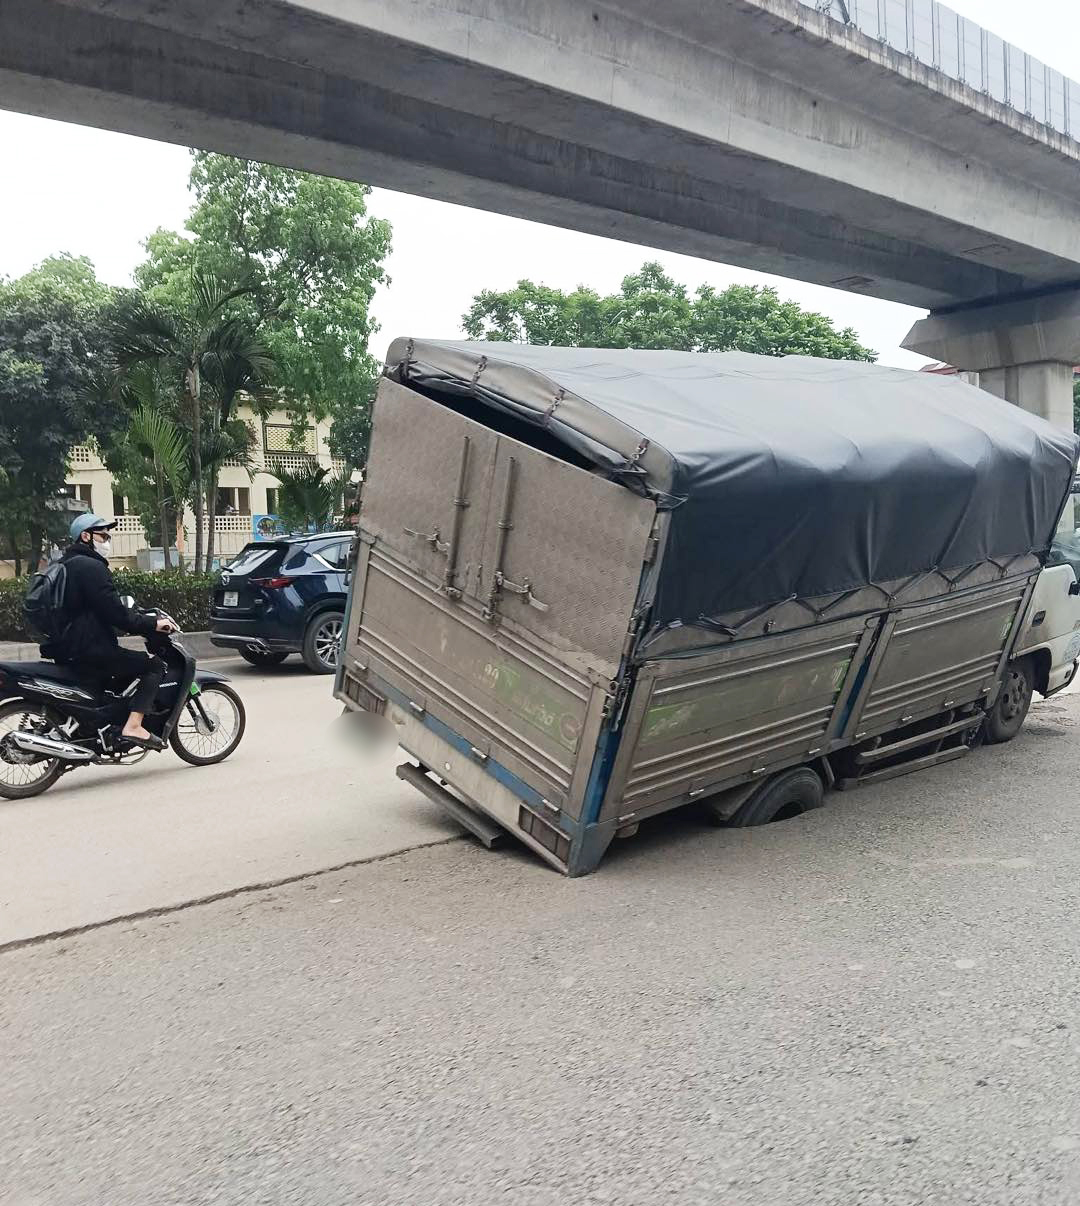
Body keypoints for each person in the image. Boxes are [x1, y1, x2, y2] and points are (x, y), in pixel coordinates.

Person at [42, 514, 176, 749]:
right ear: (86, 536)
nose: (107, 541)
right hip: (91, 648)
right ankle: (133, 726)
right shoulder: (90, 567)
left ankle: (105, 729)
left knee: (117, 678)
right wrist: (152, 624)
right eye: (103, 536)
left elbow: (94, 609)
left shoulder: (64, 564)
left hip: (68, 646)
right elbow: (115, 613)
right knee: (153, 666)